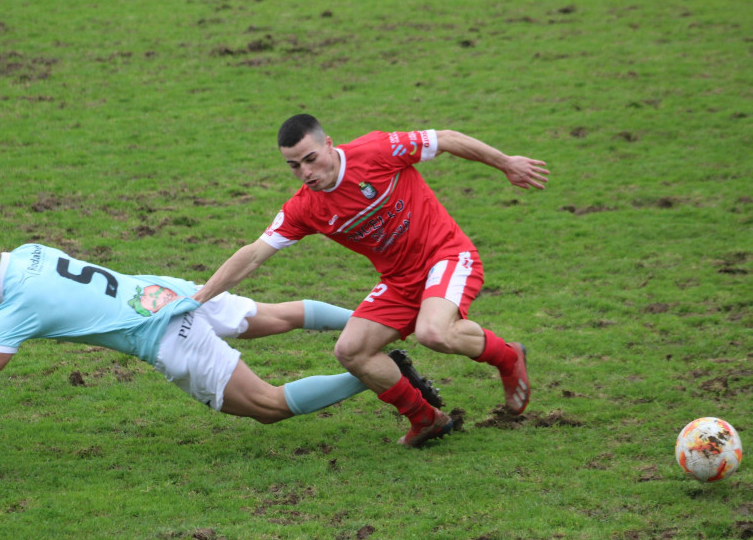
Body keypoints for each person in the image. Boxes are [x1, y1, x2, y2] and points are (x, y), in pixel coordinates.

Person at [192, 114, 549, 448]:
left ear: (329, 144)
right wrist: (200, 298)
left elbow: (447, 138)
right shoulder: (304, 208)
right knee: (350, 351)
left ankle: (507, 358)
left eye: (311, 159)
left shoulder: (377, 150)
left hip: (447, 255)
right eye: (294, 165)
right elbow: (254, 253)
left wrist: (506, 162)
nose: (305, 172)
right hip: (399, 281)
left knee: (433, 332)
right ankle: (426, 419)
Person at [0, 243, 382, 428]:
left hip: (164, 334)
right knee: (277, 316)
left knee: (267, 406)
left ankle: (379, 372)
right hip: (165, 291)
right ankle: (383, 318)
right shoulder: (26, 256)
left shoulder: (16, 310)